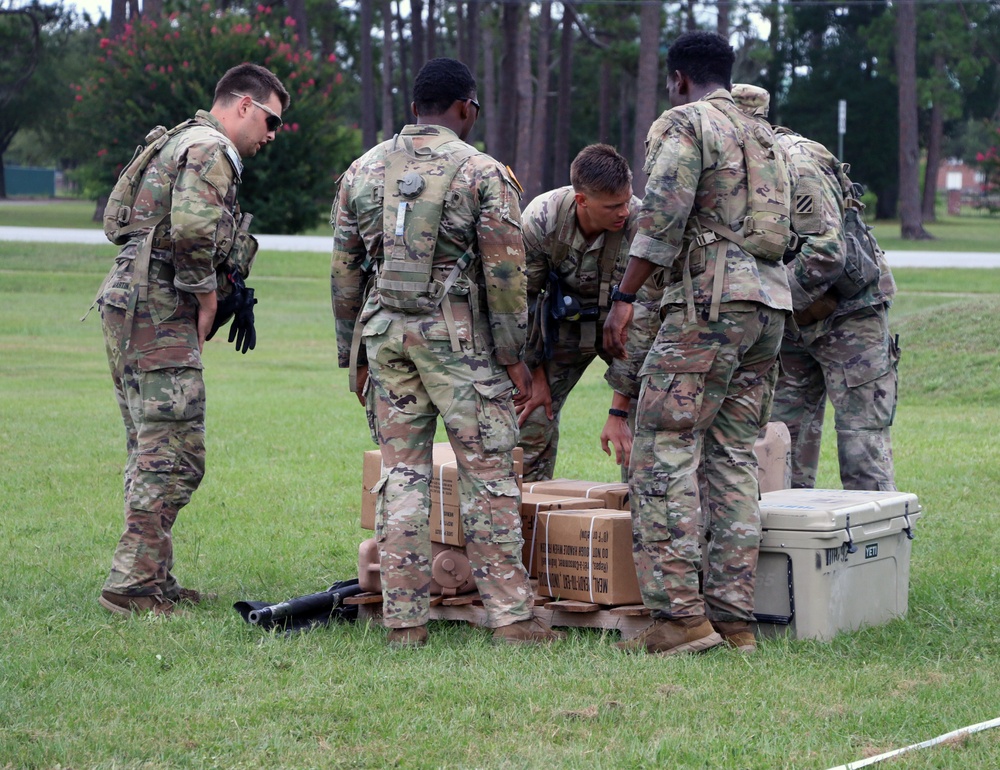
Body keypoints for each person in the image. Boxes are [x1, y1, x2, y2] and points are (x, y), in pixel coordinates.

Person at [330, 57, 564, 648]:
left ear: (414, 109)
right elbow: (507, 277)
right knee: (487, 477)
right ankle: (512, 619)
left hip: (385, 339)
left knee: (401, 478)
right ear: (466, 108)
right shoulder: (482, 173)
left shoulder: (361, 171)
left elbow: (344, 273)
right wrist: (515, 357)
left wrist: (350, 353)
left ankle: (404, 621)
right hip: (460, 344)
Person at [603, 31, 793, 655]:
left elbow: (661, 217)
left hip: (709, 303)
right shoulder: (765, 132)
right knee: (734, 454)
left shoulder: (688, 123)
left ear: (679, 78)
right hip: (768, 305)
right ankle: (734, 620)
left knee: (662, 446)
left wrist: (626, 296)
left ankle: (679, 619)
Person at [95, 64, 289, 616]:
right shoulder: (213, 147)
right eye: (271, 120)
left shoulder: (183, 138)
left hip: (132, 303)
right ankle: (130, 585)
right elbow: (193, 231)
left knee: (152, 445)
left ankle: (152, 574)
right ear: (244, 105)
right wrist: (206, 297)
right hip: (157, 309)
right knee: (176, 454)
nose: (272, 134)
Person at [732, 84, 899, 491]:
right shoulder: (740, 170)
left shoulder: (796, 162)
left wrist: (773, 299)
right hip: (793, 323)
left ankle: (875, 548)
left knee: (862, 449)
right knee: (780, 448)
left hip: (849, 317)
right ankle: (797, 551)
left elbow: (826, 252)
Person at [517, 144, 664, 481]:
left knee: (651, 423)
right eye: (613, 206)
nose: (624, 211)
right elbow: (521, 302)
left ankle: (634, 518)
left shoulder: (641, 224)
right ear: (582, 200)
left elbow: (646, 319)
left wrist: (619, 409)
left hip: (625, 331)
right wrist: (534, 373)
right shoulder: (543, 219)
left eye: (627, 201)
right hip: (559, 332)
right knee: (529, 415)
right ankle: (529, 518)